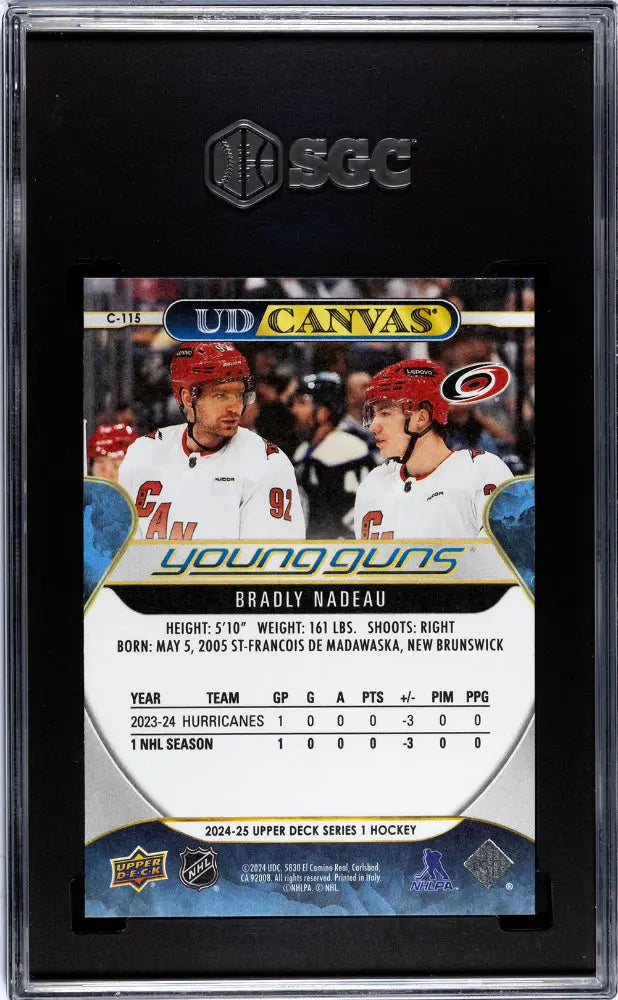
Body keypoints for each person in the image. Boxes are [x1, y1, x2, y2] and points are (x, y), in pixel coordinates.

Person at [119, 341, 305, 540]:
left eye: (239, 394)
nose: (235, 408)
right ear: (188, 399)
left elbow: (270, 555)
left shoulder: (268, 463)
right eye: (221, 396)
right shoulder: (143, 452)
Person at [353, 360, 512, 540]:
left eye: (385, 413)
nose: (374, 426)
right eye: (373, 415)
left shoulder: (482, 471)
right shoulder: (373, 483)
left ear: (421, 417)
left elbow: (504, 553)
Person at [292, 372, 374, 538]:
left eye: (302, 403)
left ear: (323, 413)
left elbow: (357, 517)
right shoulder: (303, 451)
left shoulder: (349, 449)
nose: (294, 410)